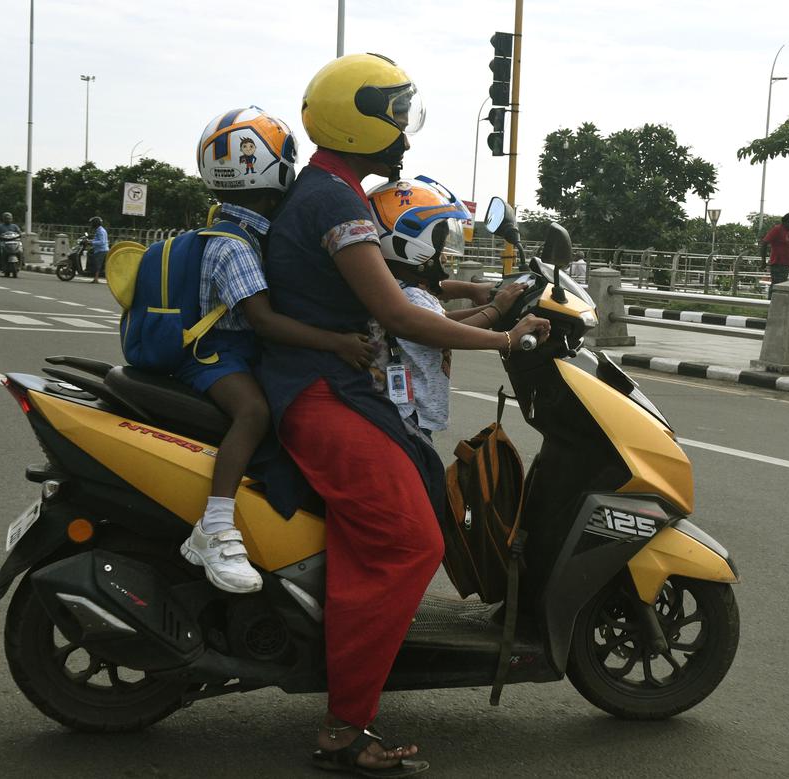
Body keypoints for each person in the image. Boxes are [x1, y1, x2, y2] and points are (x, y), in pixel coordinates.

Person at [258, 54, 549, 776]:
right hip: (320, 394)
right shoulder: (336, 202)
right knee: (409, 542)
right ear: (359, 121)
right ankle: (344, 726)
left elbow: (399, 279)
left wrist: (482, 289)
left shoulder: (330, 191)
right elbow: (397, 311)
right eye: (394, 119)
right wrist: (503, 337)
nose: (405, 138)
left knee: (414, 500)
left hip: (331, 383)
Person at [177, 106, 374, 594]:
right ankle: (215, 525)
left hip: (233, 348)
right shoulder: (238, 244)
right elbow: (263, 320)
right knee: (255, 412)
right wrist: (339, 342)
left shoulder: (241, 229)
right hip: (216, 354)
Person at [366, 175, 526, 438]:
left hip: (411, 411)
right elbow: (446, 333)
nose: (445, 254)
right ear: (412, 246)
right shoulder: (408, 297)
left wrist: (487, 302)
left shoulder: (401, 288)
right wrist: (501, 324)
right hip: (409, 415)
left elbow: (443, 321)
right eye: (439, 246)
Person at [761, 212, 789, 298]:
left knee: (781, 285)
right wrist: (763, 261)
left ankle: (776, 304)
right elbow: (764, 243)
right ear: (786, 221)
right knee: (777, 285)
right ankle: (771, 304)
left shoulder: (788, 232)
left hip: (785, 264)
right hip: (778, 263)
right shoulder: (777, 229)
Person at [88, 216, 109, 283]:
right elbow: (98, 239)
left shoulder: (101, 231)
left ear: (95, 223)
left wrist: (91, 242)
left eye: (92, 223)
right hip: (99, 249)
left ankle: (96, 279)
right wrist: (90, 241)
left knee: (97, 264)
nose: (91, 225)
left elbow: (102, 241)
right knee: (96, 262)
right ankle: (95, 278)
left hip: (101, 250)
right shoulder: (99, 230)